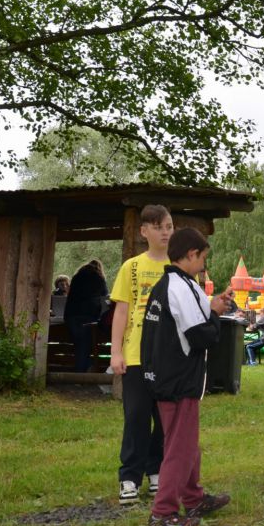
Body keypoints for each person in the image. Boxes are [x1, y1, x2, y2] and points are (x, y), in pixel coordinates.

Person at [141, 228, 234, 526]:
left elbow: (193, 317)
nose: (204, 264)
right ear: (191, 254)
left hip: (172, 377)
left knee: (187, 444)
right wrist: (216, 316)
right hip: (177, 380)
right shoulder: (178, 286)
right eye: (203, 257)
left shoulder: (177, 284)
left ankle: (193, 499)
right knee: (179, 448)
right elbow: (199, 335)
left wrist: (214, 305)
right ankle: (163, 513)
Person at [110, 205, 173, 505]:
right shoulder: (131, 267)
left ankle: (157, 470)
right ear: (144, 231)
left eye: (169, 226)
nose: (165, 232)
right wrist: (116, 352)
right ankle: (129, 478)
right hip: (135, 355)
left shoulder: (178, 266)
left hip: (168, 358)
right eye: (158, 227)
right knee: (136, 416)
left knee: (163, 418)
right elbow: (121, 312)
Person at [64, 260, 108, 373]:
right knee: (85, 345)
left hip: (71, 314)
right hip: (88, 315)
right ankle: (81, 373)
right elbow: (105, 297)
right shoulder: (99, 279)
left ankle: (83, 369)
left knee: (79, 344)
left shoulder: (76, 277)